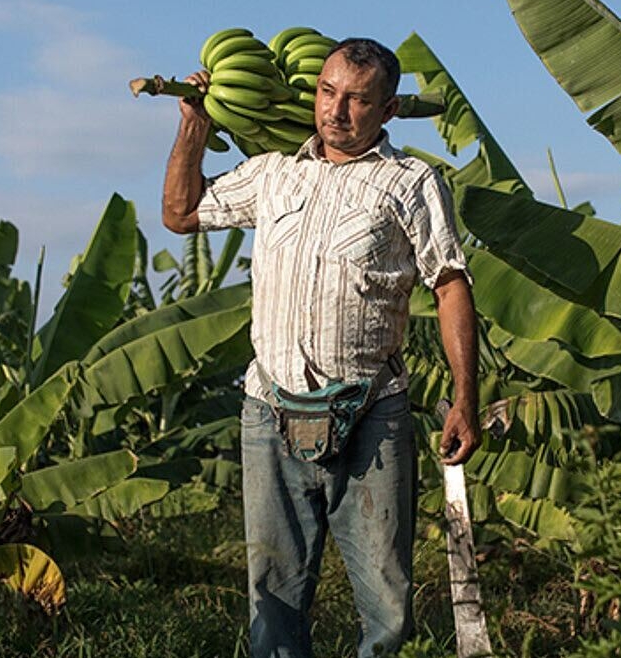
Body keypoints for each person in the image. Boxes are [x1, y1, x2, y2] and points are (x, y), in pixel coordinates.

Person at [162, 37, 479, 658]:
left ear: (387, 112)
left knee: (386, 604)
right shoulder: (275, 173)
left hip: (372, 412)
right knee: (273, 596)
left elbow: (449, 283)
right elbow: (182, 213)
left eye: (358, 101)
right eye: (327, 92)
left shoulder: (409, 183)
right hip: (270, 409)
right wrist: (194, 127)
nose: (336, 111)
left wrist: (465, 398)